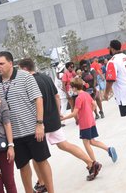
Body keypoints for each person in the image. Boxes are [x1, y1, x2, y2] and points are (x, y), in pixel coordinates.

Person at [18, 59, 100, 187]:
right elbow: (57, 97)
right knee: (64, 145)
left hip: (40, 123)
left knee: (36, 155)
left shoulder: (29, 82)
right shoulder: (46, 77)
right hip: (53, 119)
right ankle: (91, 163)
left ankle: (42, 182)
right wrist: (57, 113)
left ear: (24, 69)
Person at [0, 52, 55, 193]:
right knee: (23, 166)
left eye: (1, 63)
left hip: (33, 130)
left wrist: (39, 124)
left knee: (42, 161)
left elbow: (38, 99)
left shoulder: (25, 77)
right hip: (13, 135)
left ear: (10, 63)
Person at [61, 78, 117, 166]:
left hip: (84, 124)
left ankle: (94, 163)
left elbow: (74, 113)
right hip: (91, 122)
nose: (71, 89)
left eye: (71, 87)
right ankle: (108, 149)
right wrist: (89, 112)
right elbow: (94, 105)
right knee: (92, 141)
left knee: (86, 143)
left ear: (75, 87)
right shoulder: (86, 94)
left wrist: (63, 118)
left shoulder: (78, 98)